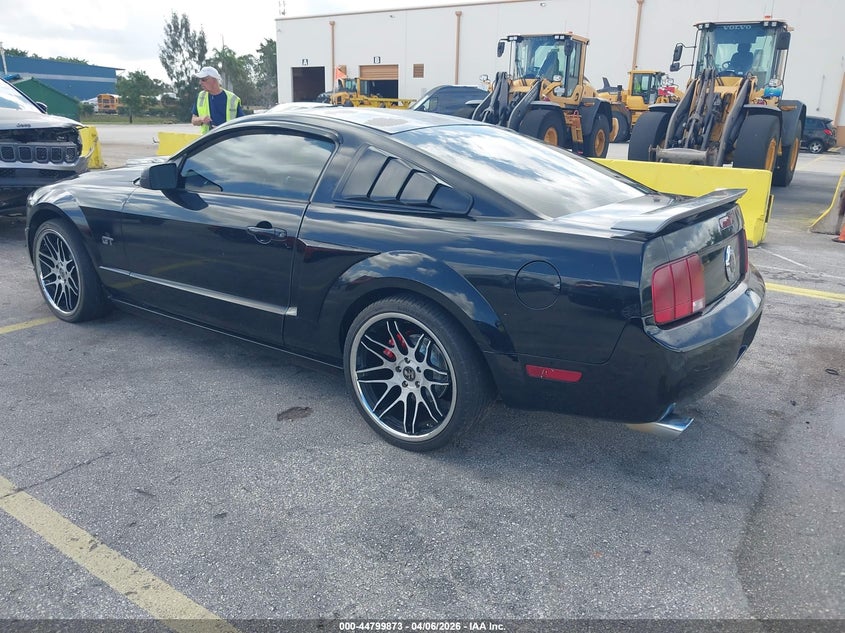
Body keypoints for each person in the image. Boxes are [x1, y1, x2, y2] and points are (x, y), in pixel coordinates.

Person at [191, 66, 244, 134]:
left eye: (203, 79)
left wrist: (223, 129)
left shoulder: (232, 99)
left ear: (214, 80)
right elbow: (193, 120)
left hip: (227, 140)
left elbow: (242, 123)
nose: (200, 83)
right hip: (208, 141)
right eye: (200, 80)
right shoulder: (201, 97)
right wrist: (201, 119)